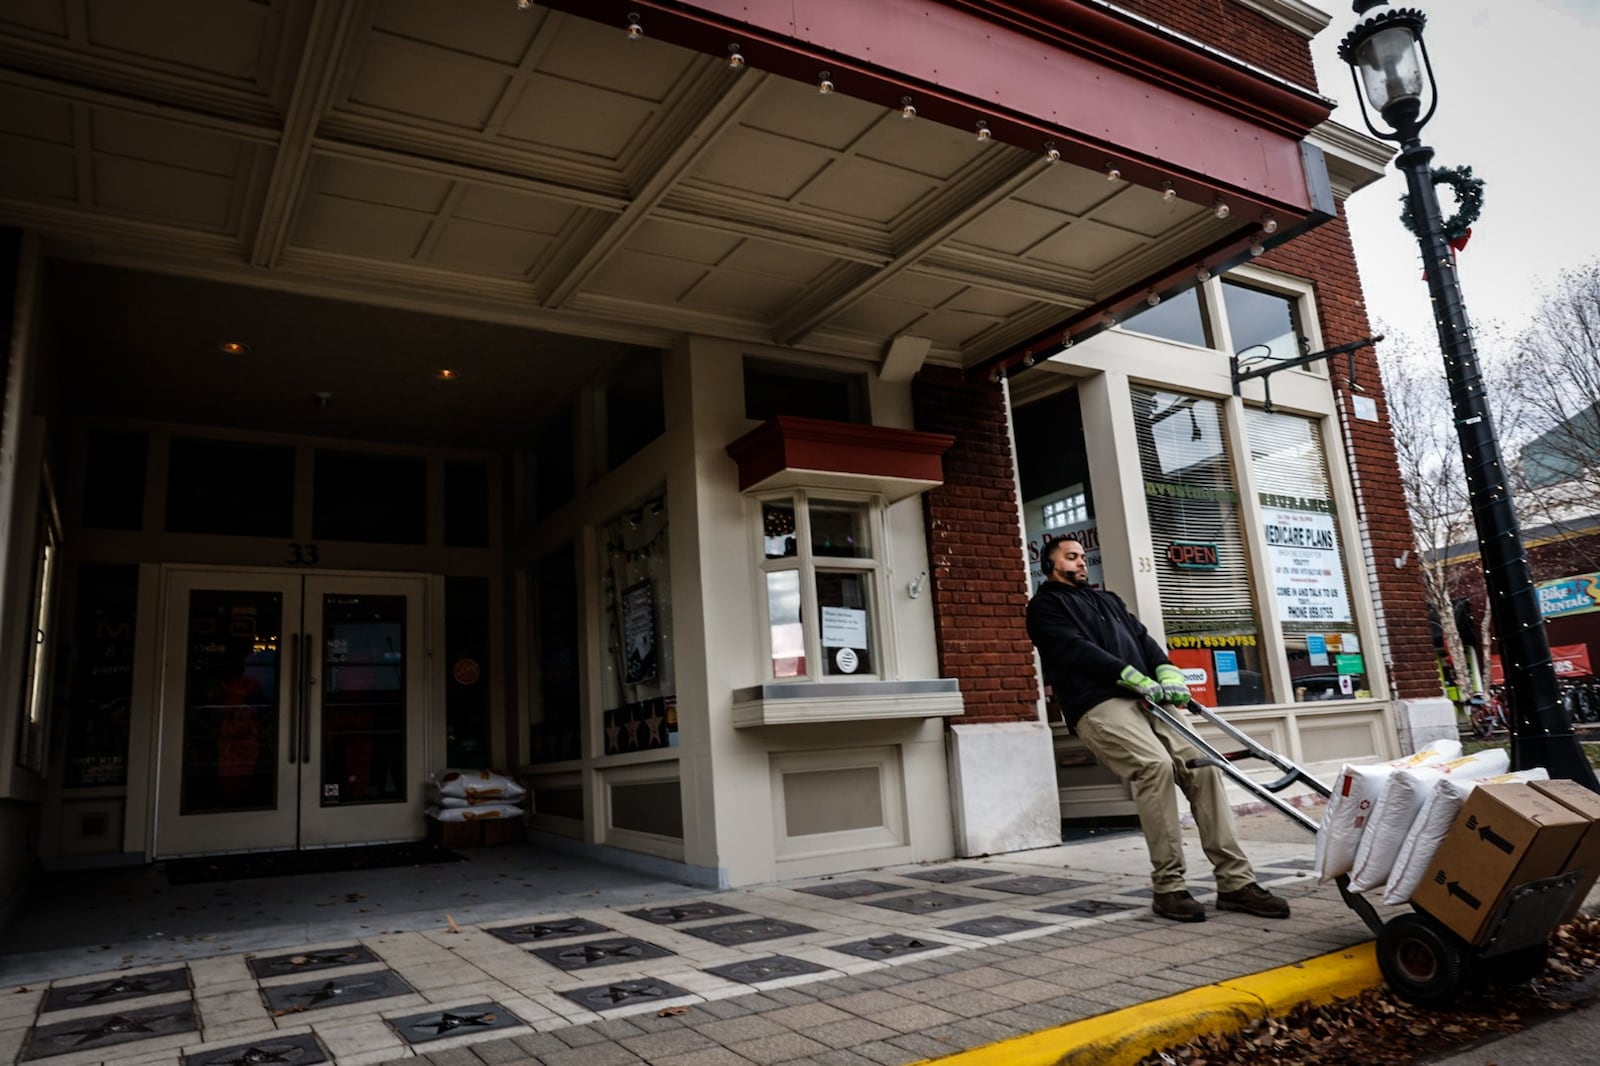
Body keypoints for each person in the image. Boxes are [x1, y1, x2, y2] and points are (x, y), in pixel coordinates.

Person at [1026, 537, 1290, 923]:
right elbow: (1076, 649)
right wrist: (1128, 676)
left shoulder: (1108, 601)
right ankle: (1169, 889)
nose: (1082, 562)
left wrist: (1168, 674)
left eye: (1083, 556)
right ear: (1051, 565)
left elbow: (1144, 640)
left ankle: (1236, 884)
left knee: (1205, 765)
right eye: (1071, 557)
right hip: (1099, 703)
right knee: (1155, 766)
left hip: (1151, 698)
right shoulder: (1044, 608)